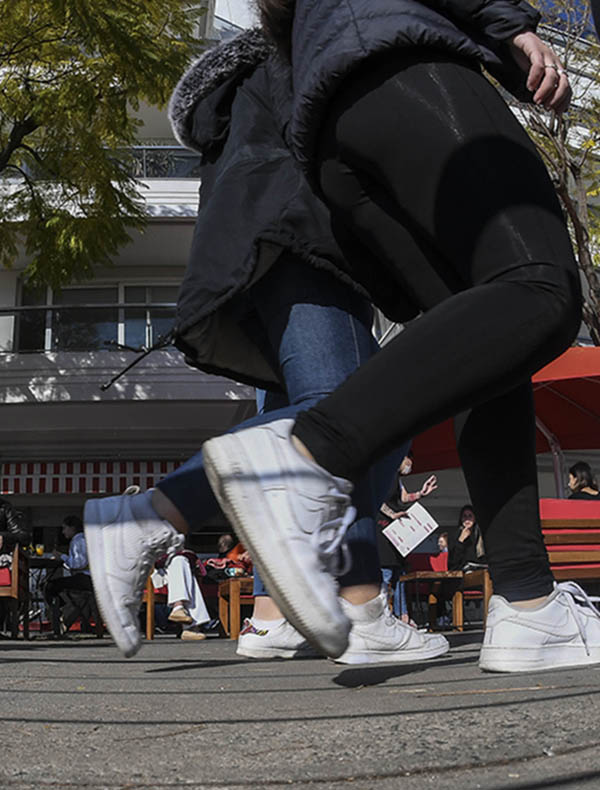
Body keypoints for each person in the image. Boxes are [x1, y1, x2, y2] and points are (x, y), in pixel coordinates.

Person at [200, 0, 596, 672]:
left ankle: (530, 607)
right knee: (545, 287)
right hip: (400, 62)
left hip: (334, 128)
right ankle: (308, 454)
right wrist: (509, 22)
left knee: (487, 355)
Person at [82, 29, 446, 665]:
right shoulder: (307, 58)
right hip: (309, 243)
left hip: (257, 263)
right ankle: (152, 513)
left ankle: (318, 610)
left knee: (333, 427)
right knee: (353, 415)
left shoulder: (242, 92)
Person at [375, 453, 438, 624]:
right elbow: (376, 497)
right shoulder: (383, 473)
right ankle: (383, 617)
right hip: (383, 530)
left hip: (397, 534)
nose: (411, 465)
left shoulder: (396, 479)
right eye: (410, 461)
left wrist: (421, 493)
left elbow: (403, 497)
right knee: (386, 574)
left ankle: (403, 617)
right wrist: (392, 514)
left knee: (400, 575)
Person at [44, 516, 92, 636]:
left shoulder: (78, 541)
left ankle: (59, 612)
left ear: (73, 528)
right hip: (87, 578)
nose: (63, 531)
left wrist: (62, 557)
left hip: (85, 578)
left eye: (65, 528)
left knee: (49, 586)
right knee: (56, 585)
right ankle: (63, 611)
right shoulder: (80, 540)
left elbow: (79, 563)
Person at [163, 550, 212, 641]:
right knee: (179, 561)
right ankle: (191, 627)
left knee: (182, 563)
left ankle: (179, 610)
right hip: (156, 571)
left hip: (174, 568)